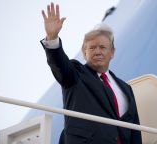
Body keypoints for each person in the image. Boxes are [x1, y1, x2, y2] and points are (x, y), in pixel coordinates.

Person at [40, 2, 142, 144]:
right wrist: (52, 39)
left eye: (102, 47)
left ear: (112, 52)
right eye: (92, 48)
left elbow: (134, 129)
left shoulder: (126, 88)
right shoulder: (75, 73)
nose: (98, 51)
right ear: (84, 53)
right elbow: (59, 64)